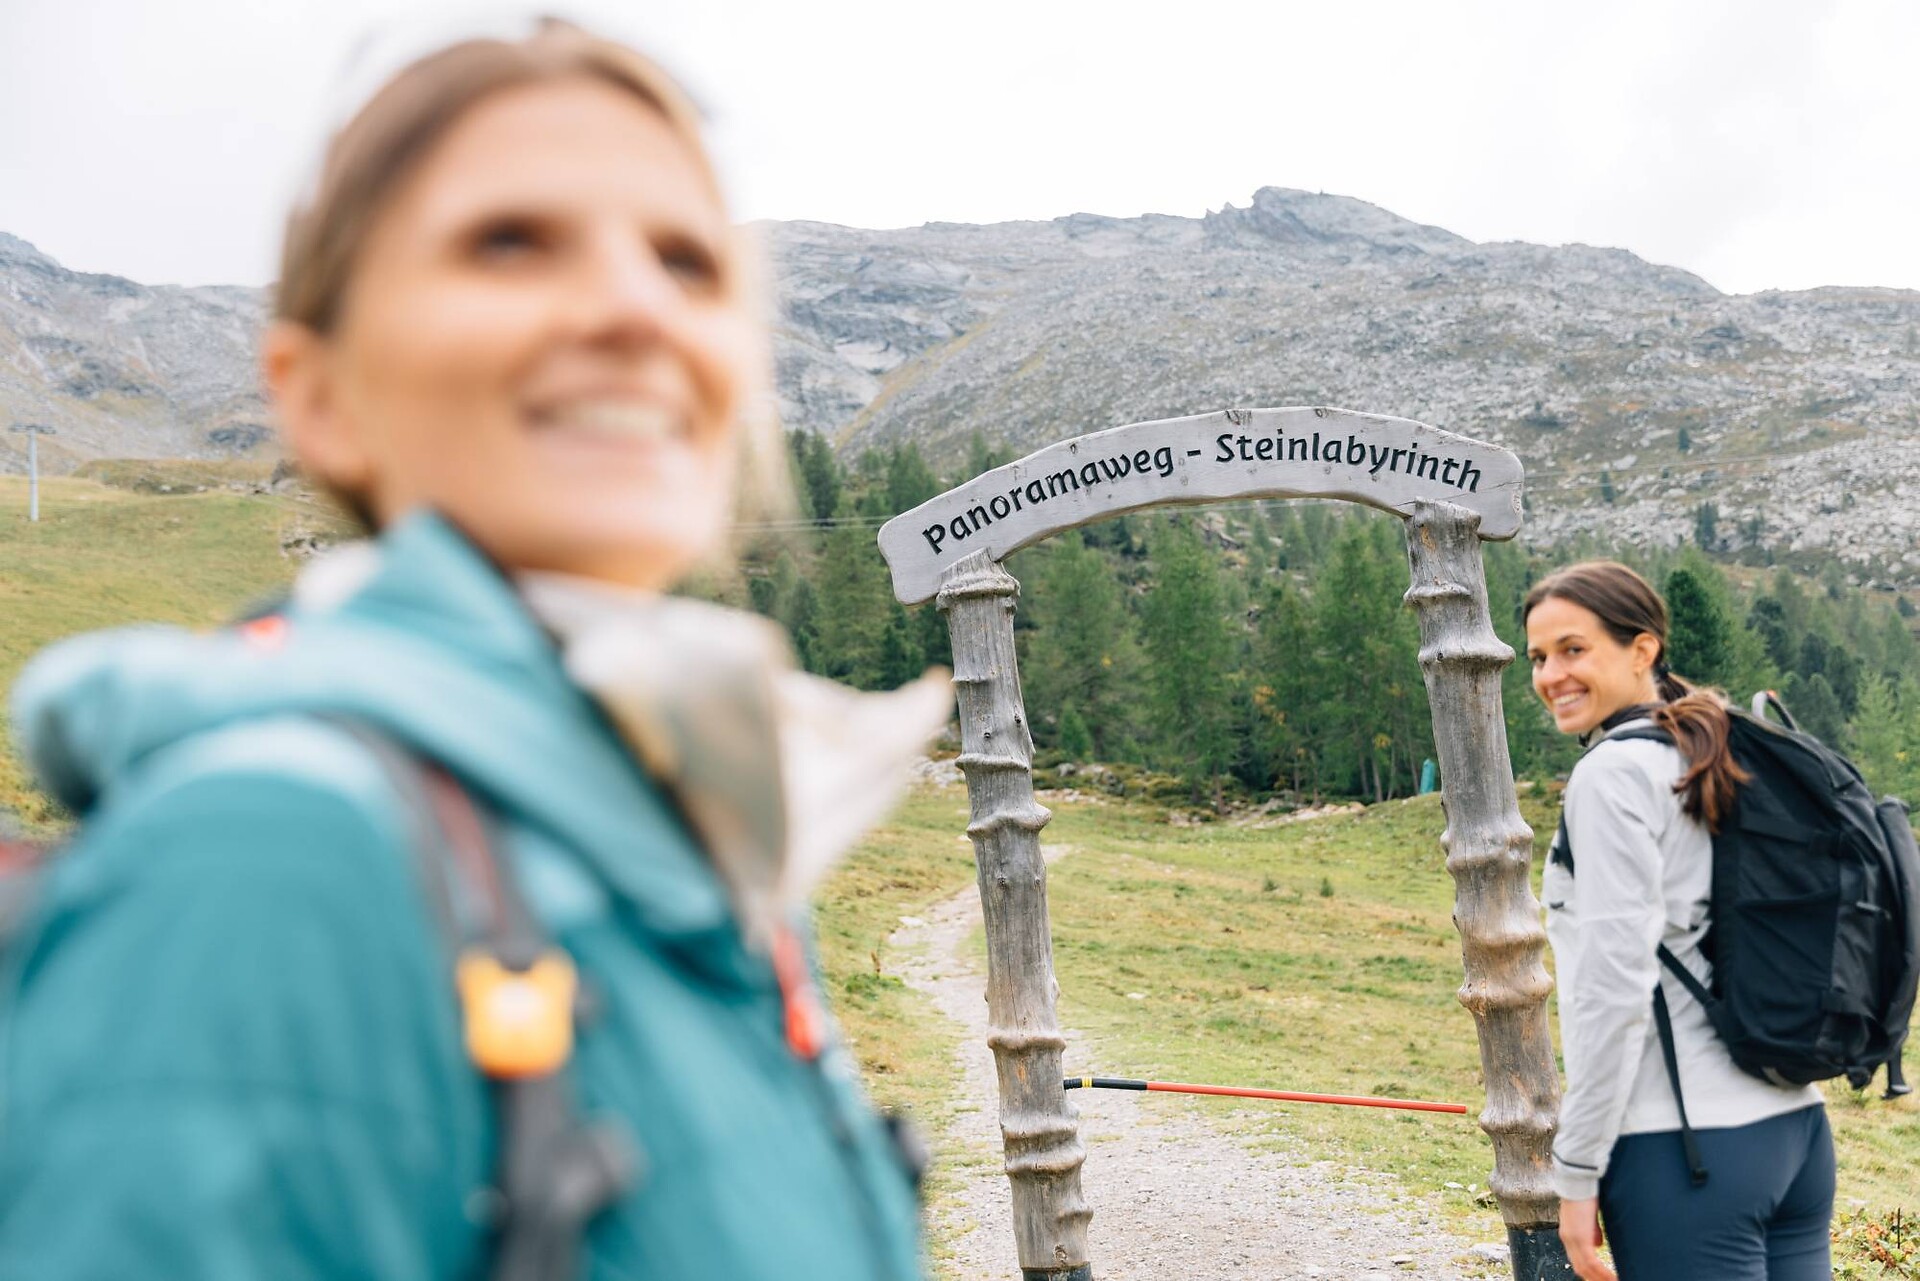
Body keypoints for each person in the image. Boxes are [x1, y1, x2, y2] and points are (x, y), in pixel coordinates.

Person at [0, 17, 946, 1279]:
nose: (635, 308)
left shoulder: (679, 824)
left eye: (688, 261)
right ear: (319, 396)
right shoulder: (277, 860)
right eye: (509, 242)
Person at [1524, 562, 1832, 1281]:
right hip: (1795, 1129)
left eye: (1573, 649)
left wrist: (1576, 1172)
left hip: (1685, 1149)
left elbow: (1614, 991)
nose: (1550, 675)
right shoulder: (1717, 752)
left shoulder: (1611, 776)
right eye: (1538, 657)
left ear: (1643, 650)